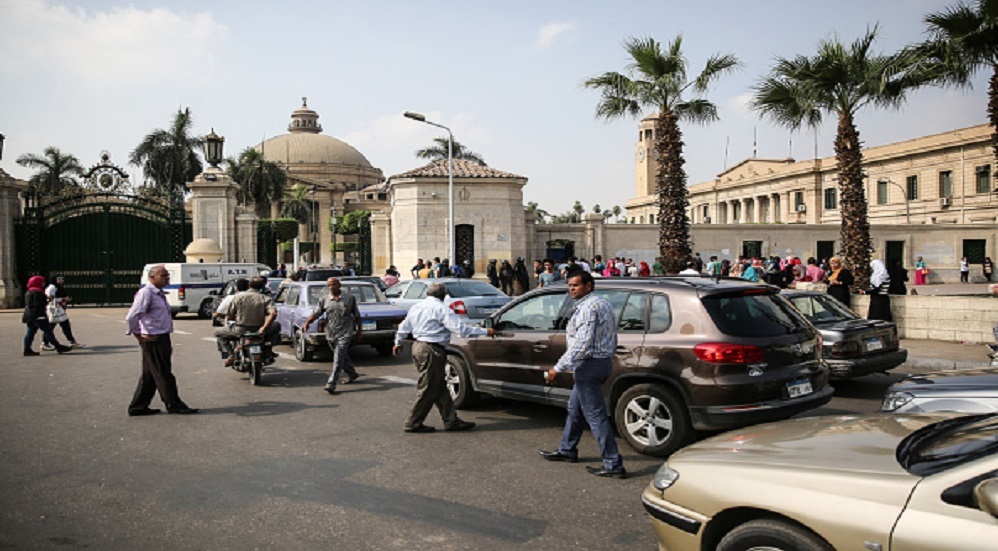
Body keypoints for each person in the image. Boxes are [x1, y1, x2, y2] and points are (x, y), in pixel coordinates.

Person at [539, 271, 625, 479]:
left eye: (576, 285)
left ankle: (613, 463)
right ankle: (567, 449)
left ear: (589, 285)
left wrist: (557, 368)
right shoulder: (602, 304)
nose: (571, 289)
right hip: (599, 363)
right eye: (570, 285)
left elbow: (582, 344)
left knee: (595, 415)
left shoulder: (589, 308)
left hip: (590, 366)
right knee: (575, 408)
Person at [393, 283, 499, 432]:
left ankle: (451, 420)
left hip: (419, 347)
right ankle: (413, 422)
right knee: (428, 387)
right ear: (444, 296)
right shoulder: (441, 309)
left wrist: (397, 342)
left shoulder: (417, 307)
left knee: (439, 386)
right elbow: (460, 330)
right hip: (432, 349)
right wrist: (485, 331)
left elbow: (404, 326)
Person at [125, 265, 198, 416]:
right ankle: (174, 404)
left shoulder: (159, 293)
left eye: (167, 275)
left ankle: (138, 406)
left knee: (150, 374)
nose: (167, 278)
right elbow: (132, 316)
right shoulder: (146, 293)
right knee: (164, 373)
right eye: (163, 275)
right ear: (152, 278)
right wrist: (138, 335)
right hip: (153, 338)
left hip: (161, 337)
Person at [302, 277, 361, 394]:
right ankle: (352, 373)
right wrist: (307, 323)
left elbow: (357, 316)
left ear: (339, 285)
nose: (331, 287)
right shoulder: (324, 300)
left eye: (334, 284)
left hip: (345, 332)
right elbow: (316, 313)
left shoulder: (349, 298)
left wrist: (359, 331)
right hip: (331, 333)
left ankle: (331, 382)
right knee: (340, 355)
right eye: (329, 285)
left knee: (338, 357)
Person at [220, 276, 280, 366]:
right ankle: (268, 350)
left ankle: (231, 355)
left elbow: (229, 316)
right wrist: (263, 328)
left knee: (218, 333)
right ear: (263, 287)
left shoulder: (237, 298)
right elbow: (273, 314)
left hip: (240, 329)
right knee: (277, 325)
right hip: (260, 330)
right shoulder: (265, 298)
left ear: (249, 285)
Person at [23, 275, 72, 356]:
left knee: (30, 333)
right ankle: (58, 347)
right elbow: (39, 304)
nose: (43, 283)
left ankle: (27, 349)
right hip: (38, 315)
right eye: (42, 282)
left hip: (29, 315)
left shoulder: (29, 291)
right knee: (48, 331)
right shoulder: (37, 292)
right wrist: (48, 300)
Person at [44, 275, 84, 348]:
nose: (61, 280)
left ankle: (72, 341)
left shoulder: (58, 287)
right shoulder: (52, 287)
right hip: (55, 310)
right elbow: (49, 299)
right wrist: (63, 299)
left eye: (62, 279)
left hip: (60, 309)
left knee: (62, 326)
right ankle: (44, 343)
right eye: (59, 279)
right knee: (54, 326)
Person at [212, 278, 250, 353]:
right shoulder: (257, 296)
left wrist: (215, 315)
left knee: (218, 333)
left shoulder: (231, 298)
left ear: (237, 288)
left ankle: (230, 354)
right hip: (258, 327)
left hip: (238, 327)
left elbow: (219, 312)